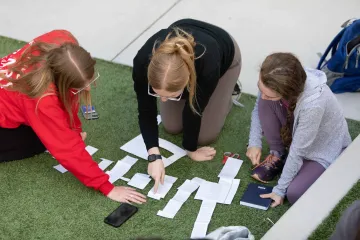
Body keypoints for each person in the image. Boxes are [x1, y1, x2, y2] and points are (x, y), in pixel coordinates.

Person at [0, 30, 146, 204]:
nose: (89, 89)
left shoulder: (62, 38)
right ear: (60, 82)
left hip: (18, 99)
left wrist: (74, 128)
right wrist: (107, 187)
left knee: (52, 132)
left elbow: (68, 100)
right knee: (41, 141)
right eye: (79, 87)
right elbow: (67, 149)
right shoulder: (43, 100)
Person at [133, 18, 241, 191]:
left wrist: (191, 149)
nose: (163, 100)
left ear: (187, 81)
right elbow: (146, 109)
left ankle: (228, 90)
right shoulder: (141, 63)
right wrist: (153, 155)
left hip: (224, 56)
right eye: (157, 93)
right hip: (185, 46)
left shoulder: (207, 66)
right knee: (172, 126)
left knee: (204, 137)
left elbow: (194, 109)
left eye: (171, 95)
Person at [245, 52, 351, 206]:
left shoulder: (314, 104)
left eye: (270, 95)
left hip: (320, 148)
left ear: (288, 92)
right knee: (265, 103)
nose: (263, 96)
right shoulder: (274, 76)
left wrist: (280, 190)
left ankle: (324, 165)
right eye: (260, 89)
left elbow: (299, 150)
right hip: (297, 133)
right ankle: (278, 154)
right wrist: (254, 143)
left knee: (294, 193)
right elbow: (258, 109)